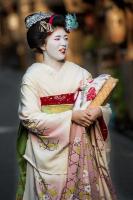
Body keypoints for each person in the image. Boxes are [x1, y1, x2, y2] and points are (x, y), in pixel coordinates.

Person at [16, 12, 117, 200]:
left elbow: (102, 106)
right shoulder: (32, 76)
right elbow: (28, 117)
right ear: (42, 44)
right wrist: (71, 116)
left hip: (81, 152)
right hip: (46, 155)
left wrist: (98, 112)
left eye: (65, 38)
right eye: (57, 38)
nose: (64, 43)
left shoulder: (80, 73)